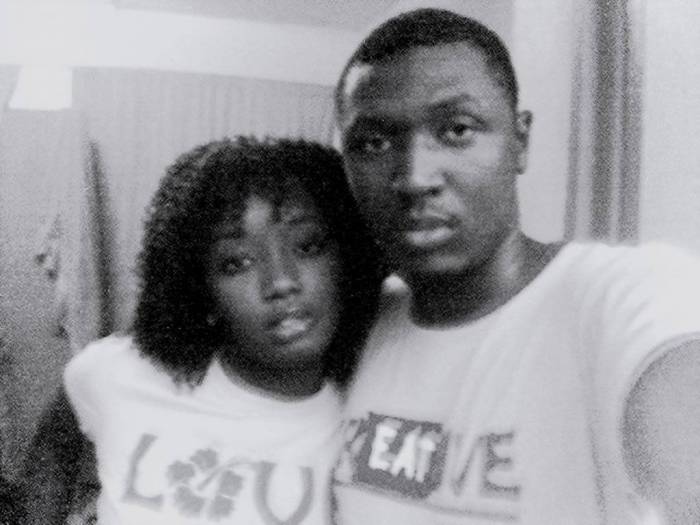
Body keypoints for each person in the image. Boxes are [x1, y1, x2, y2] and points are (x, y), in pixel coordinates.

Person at [331, 8, 700, 525]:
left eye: (457, 129)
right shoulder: (360, 320)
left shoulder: (626, 295)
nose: (415, 176)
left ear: (520, 141)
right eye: (373, 143)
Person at [58, 136, 383, 524]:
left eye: (308, 246)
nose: (281, 282)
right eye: (236, 263)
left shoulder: (368, 422)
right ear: (200, 290)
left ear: (349, 259)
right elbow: (53, 450)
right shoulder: (120, 372)